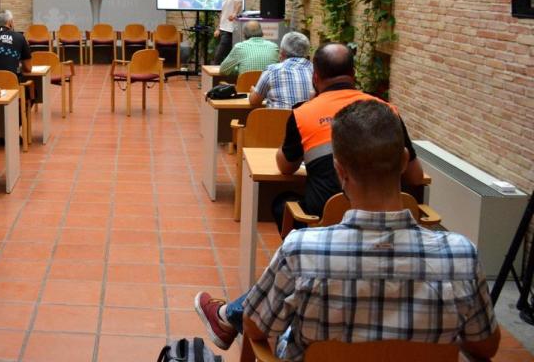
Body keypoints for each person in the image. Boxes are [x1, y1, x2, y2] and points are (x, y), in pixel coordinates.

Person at [194, 101, 500, 360]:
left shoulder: (302, 251)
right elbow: (485, 345)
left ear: (339, 169)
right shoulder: (461, 254)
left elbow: (255, 327)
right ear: (405, 160)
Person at [271, 42, 424, 227]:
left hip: (324, 223)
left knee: (282, 203)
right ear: (353, 75)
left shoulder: (302, 114)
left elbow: (285, 167)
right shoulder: (387, 111)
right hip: (388, 222)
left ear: (315, 77)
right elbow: (416, 177)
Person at [248, 31, 313, 109]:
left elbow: (254, 101)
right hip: (306, 120)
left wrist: (253, 92)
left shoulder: (271, 70)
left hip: (276, 121)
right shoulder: (315, 71)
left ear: (282, 52)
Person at [213, 0, 243, 64]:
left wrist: (234, 13)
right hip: (223, 29)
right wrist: (218, 28)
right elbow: (223, 13)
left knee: (218, 56)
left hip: (230, 30)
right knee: (225, 56)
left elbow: (239, 2)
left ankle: (215, 77)